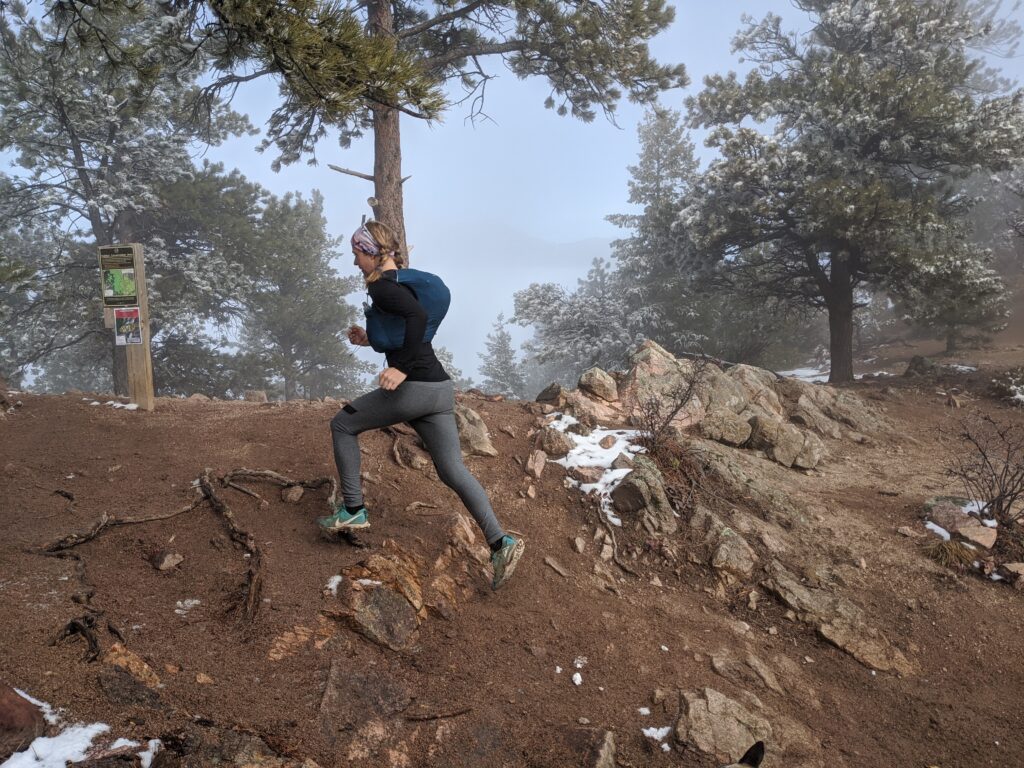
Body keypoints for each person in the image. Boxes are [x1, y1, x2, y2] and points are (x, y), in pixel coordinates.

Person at [318, 220, 525, 590]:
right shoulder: (399, 284)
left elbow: (417, 317)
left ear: (371, 252)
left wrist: (399, 368)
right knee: (452, 470)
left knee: (343, 424)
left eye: (356, 255)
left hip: (413, 387)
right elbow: (408, 326)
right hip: (439, 390)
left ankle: (352, 511)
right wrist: (369, 339)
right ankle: (500, 543)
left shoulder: (383, 288)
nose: (354, 263)